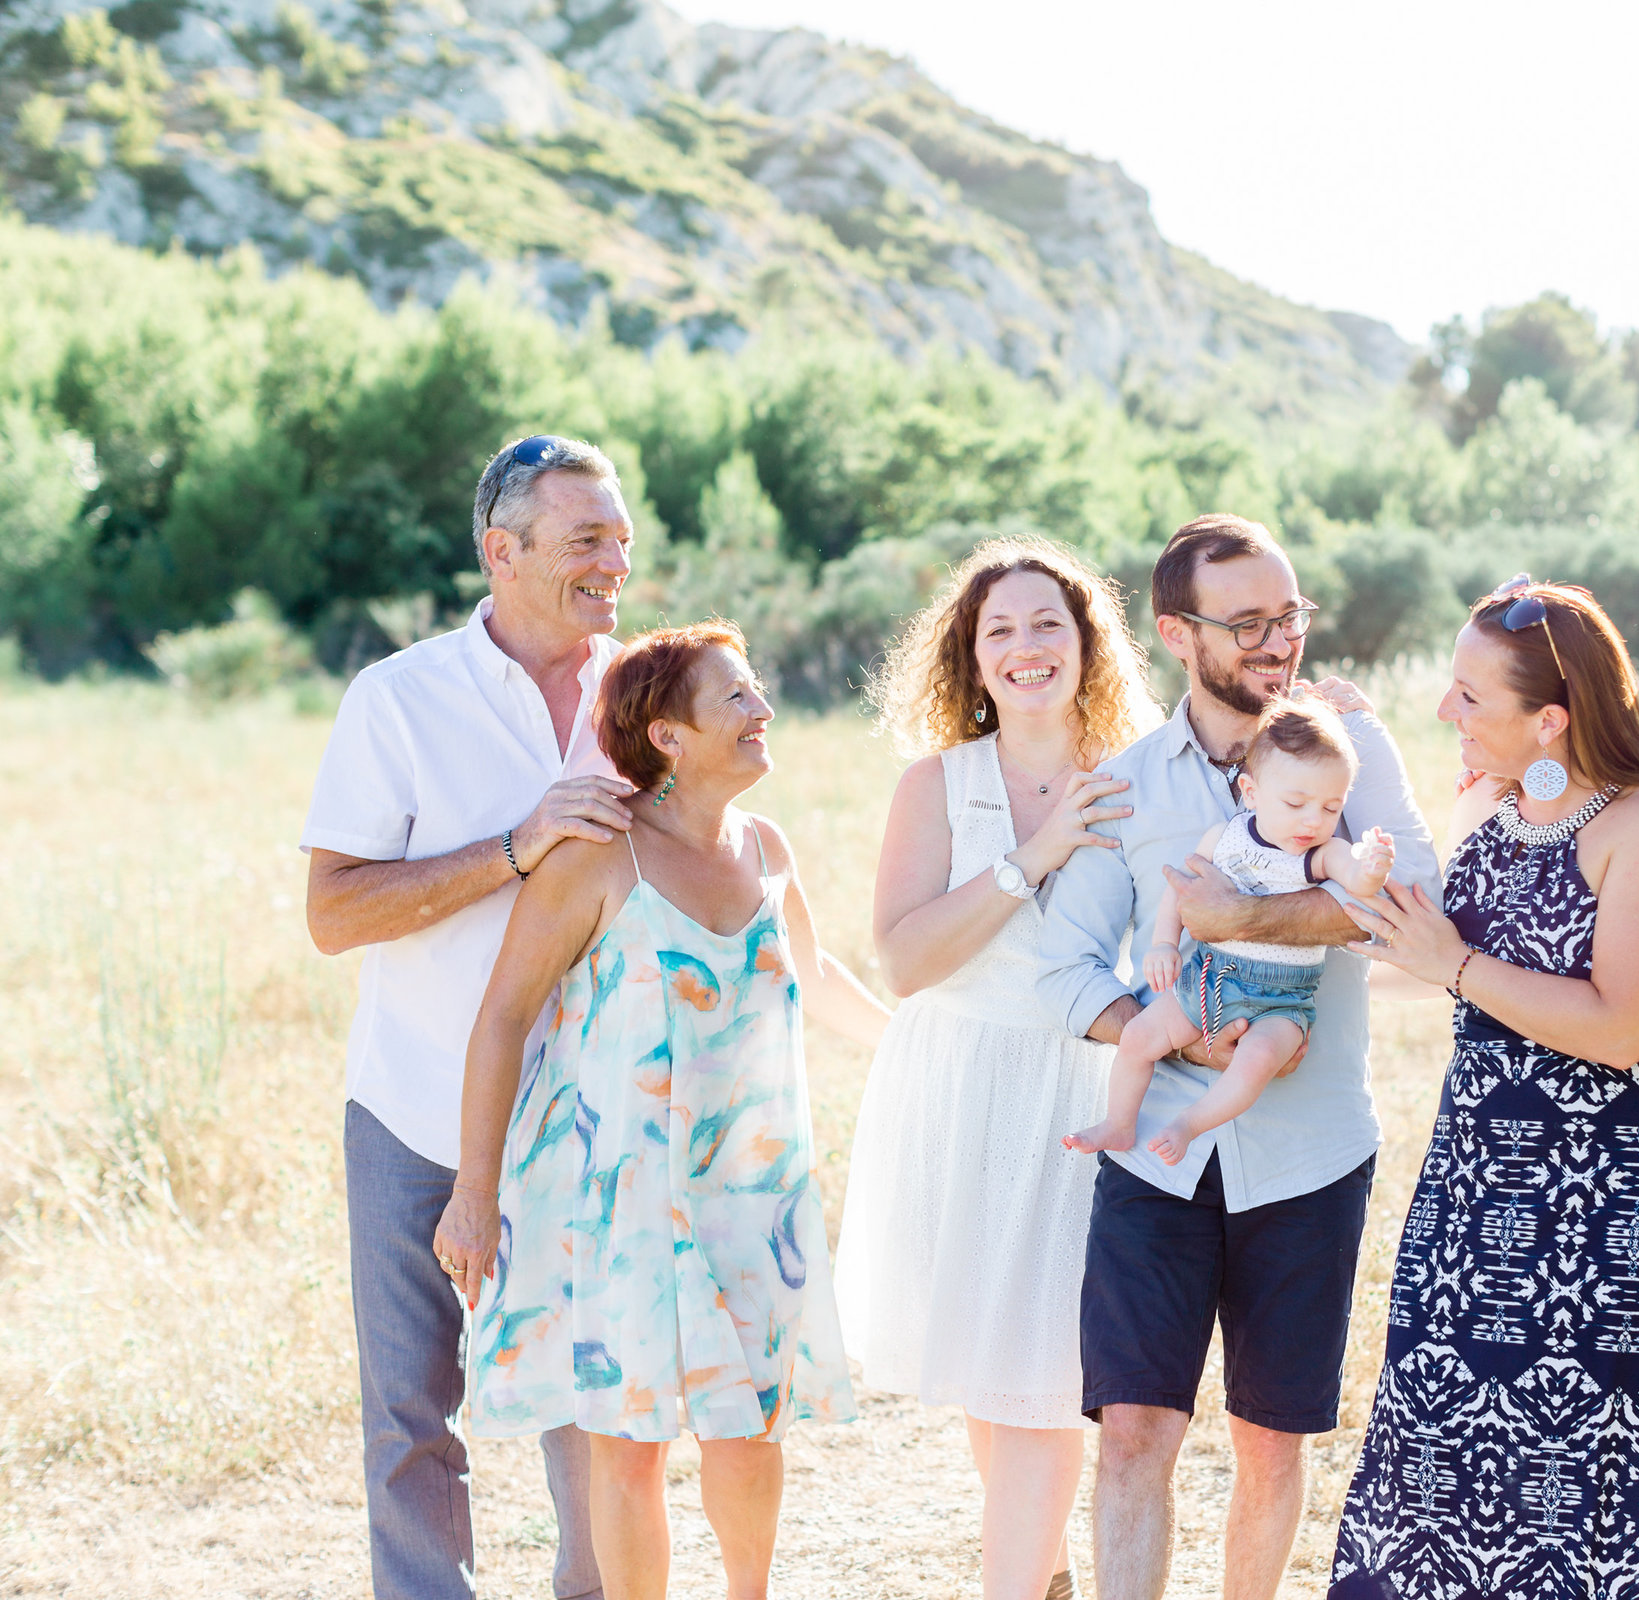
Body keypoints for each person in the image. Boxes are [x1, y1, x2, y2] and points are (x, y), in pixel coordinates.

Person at [434, 619, 888, 1600]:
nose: (762, 709)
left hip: (755, 1193)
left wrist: (924, 1049)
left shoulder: (768, 848)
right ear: (669, 736)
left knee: (749, 1427)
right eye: (736, 696)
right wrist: (475, 1193)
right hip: (626, 1200)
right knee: (628, 1443)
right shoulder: (599, 857)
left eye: (755, 689)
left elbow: (818, 977)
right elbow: (505, 1016)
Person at [1035, 513, 1437, 1600]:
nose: (1277, 642)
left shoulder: (1357, 750)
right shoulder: (1125, 782)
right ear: (1177, 631)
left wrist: (1247, 920)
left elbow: (1419, 906)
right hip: (1155, 1158)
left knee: (1270, 1440)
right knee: (1132, 1431)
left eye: (1289, 616)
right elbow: (1066, 968)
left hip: (1310, 1154)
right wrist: (1171, 1028)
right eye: (1247, 622)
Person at [1328, 576, 1639, 1597]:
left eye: (1469, 696)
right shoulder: (1496, 802)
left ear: (1551, 717)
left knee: (1592, 1476)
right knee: (1447, 1459)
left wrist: (1453, 966)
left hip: (1614, 1201)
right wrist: (1358, 748)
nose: (1445, 713)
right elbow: (1409, 919)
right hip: (1480, 1187)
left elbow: (1625, 1026)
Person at [303, 434, 640, 1600]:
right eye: (586, 539)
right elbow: (334, 911)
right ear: (502, 550)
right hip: (411, 1103)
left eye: (623, 538)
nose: (616, 562)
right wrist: (513, 848)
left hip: (595, 1118)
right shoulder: (398, 700)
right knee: (409, 1416)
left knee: (594, 1404)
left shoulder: (646, 695)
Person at [835, 537, 1160, 1600]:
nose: (1027, 648)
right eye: (1000, 631)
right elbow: (909, 957)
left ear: (1087, 643)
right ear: (972, 661)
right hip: (956, 1092)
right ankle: (1049, 1574)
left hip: (1080, 1094)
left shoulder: (1140, 774)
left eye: (1048, 624)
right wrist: (1034, 855)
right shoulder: (937, 785)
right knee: (992, 1376)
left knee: (1043, 1384)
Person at [1065, 695, 1396, 1165]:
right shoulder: (1224, 838)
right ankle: (1119, 1123)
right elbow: (1182, 891)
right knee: (1141, 1035)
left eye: (1330, 807)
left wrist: (1373, 865)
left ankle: (1188, 1123)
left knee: (1256, 1061)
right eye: (1296, 802)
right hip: (1209, 978)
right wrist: (1164, 945)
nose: (1312, 820)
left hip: (1282, 1001)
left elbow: (1357, 878)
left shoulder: (1319, 854)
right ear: (1251, 791)